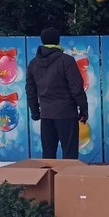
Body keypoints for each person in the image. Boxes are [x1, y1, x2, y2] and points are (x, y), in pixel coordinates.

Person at [26, 28, 88, 160]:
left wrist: (35, 111)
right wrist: (83, 109)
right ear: (58, 41)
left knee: (48, 155)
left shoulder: (33, 63)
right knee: (70, 154)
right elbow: (76, 88)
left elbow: (30, 91)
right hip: (67, 113)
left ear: (42, 41)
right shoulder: (67, 61)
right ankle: (68, 175)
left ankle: (49, 175)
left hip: (46, 114)